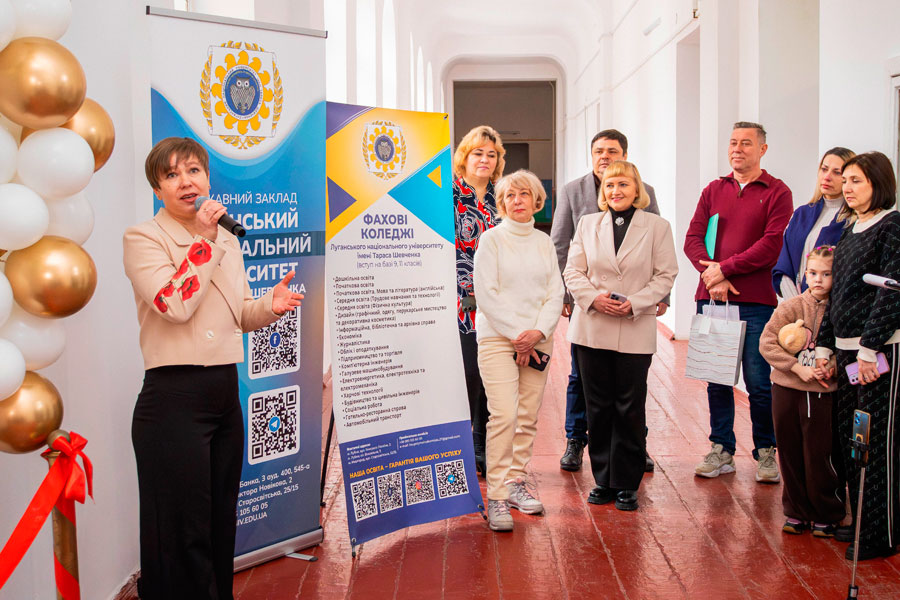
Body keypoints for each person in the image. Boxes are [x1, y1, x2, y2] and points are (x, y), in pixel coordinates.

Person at [123, 137, 303, 599]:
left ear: (208, 178)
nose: (186, 182)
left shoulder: (224, 238)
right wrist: (203, 240)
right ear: (158, 189)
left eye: (194, 171)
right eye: (172, 175)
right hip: (173, 398)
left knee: (219, 520)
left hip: (223, 394)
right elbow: (175, 305)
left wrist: (269, 306)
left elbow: (238, 314)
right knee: (181, 531)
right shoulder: (144, 237)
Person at [564, 160, 677, 511]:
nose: (616, 191)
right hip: (592, 326)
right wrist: (593, 298)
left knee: (629, 406)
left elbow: (666, 273)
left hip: (634, 325)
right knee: (597, 406)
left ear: (637, 189)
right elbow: (573, 271)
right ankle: (603, 480)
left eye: (624, 184)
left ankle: (627, 483)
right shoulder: (587, 224)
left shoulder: (657, 227)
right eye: (610, 185)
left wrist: (635, 303)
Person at [550, 128, 665, 473]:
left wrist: (659, 297)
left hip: (633, 307)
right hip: (589, 304)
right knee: (580, 377)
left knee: (631, 387)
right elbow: (560, 244)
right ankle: (576, 439)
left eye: (612, 151)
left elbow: (660, 255)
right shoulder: (572, 191)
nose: (605, 157)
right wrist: (567, 295)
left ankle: (636, 445)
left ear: (624, 156)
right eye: (599, 151)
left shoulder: (646, 192)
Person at [684, 121, 793, 483]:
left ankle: (766, 451)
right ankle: (721, 449)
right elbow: (693, 239)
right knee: (717, 379)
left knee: (759, 383)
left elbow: (771, 245)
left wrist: (724, 269)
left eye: (746, 143)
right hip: (713, 300)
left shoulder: (777, 192)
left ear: (762, 149)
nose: (737, 149)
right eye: (733, 142)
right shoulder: (714, 189)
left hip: (757, 302)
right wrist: (712, 277)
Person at [815, 151, 900, 561]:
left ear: (878, 183)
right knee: (854, 441)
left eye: (856, 181)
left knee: (876, 445)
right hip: (848, 354)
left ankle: (881, 534)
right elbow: (838, 296)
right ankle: (863, 520)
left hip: (877, 355)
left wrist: (868, 349)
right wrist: (826, 347)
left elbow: (892, 292)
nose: (846, 187)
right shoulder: (850, 228)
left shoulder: (892, 226)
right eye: (845, 180)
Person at [473, 169, 564, 531]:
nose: (517, 201)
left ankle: (515, 483)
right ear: (502, 203)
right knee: (504, 415)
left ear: (536, 200)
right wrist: (517, 335)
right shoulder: (491, 240)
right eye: (509, 196)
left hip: (538, 338)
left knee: (526, 416)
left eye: (524, 194)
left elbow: (555, 292)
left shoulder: (543, 242)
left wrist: (537, 332)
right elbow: (487, 293)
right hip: (498, 338)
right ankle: (496, 495)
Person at [760, 245, 844, 537]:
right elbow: (767, 343)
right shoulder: (791, 306)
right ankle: (796, 512)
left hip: (822, 394)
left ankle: (825, 513)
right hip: (786, 391)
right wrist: (797, 368)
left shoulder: (840, 308)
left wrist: (832, 367)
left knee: (819, 454)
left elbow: (845, 347)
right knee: (790, 451)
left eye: (826, 274)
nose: (818, 279)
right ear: (804, 274)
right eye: (813, 273)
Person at [454, 125, 506, 476]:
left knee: (492, 371)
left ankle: (482, 443)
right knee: (469, 372)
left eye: (491, 154)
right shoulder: (447, 195)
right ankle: (464, 443)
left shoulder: (502, 196)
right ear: (465, 156)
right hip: (461, 299)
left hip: (499, 299)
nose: (484, 159)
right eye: (478, 153)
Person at [773, 147, 855, 298]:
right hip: (795, 302)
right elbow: (785, 264)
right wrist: (798, 303)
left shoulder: (852, 221)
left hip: (830, 304)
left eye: (837, 172)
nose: (827, 177)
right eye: (824, 169)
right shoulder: (802, 214)